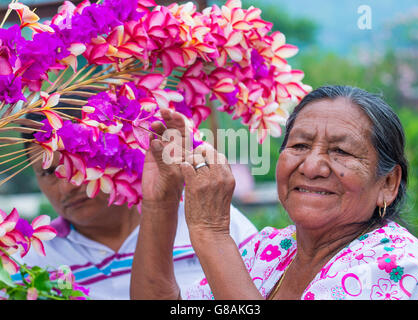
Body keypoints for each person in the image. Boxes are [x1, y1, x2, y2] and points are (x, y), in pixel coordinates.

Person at [130, 85, 418, 300]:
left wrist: (211, 233)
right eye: (299, 146)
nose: (312, 166)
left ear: (388, 184)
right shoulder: (268, 251)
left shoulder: (397, 265)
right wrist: (161, 202)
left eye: (341, 151)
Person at [12, 107, 258, 300]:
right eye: (48, 173)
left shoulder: (210, 222)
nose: (67, 185)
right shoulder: (28, 262)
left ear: (116, 151)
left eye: (80, 165)